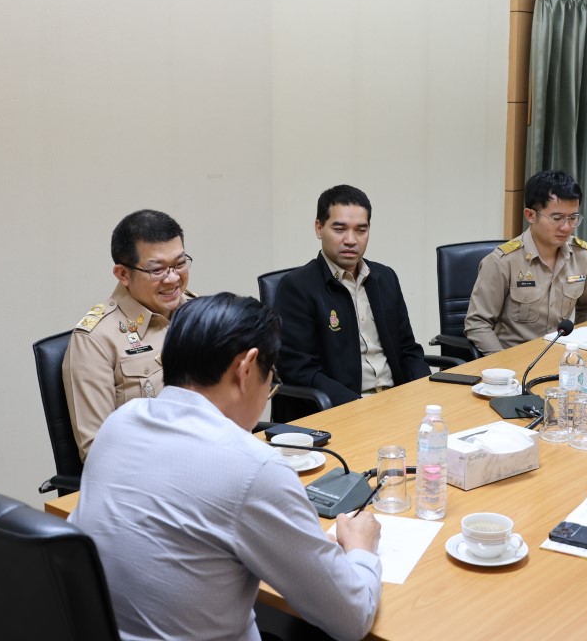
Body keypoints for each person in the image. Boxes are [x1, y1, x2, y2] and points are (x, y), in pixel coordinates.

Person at [70, 293, 382, 641]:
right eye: (270, 381)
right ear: (246, 368)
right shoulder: (254, 467)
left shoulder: (119, 423)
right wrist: (361, 548)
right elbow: (352, 618)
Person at [272, 185, 429, 419]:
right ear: (319, 228)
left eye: (361, 230)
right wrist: (358, 407)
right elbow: (299, 370)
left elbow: (408, 349)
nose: (351, 240)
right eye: (340, 229)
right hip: (341, 411)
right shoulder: (297, 287)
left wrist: (426, 392)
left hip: (396, 403)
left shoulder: (385, 278)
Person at [62, 209, 195, 460]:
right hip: (153, 470)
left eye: (179, 264)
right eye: (157, 270)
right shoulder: (96, 340)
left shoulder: (200, 313)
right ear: (123, 274)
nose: (173, 279)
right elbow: (98, 452)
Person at [464, 169, 587, 354]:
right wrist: (501, 363)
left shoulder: (582, 256)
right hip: (514, 360)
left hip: (561, 358)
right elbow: (477, 323)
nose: (566, 227)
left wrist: (583, 351)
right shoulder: (502, 262)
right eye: (557, 218)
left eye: (573, 218)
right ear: (530, 215)